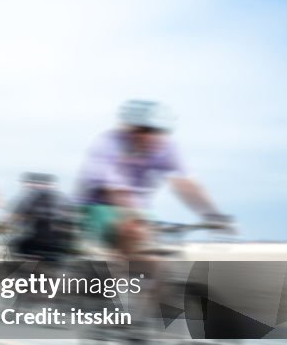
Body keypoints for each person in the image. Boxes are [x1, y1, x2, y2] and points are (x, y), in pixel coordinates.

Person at [76, 100, 229, 257]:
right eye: (148, 131)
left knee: (159, 256)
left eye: (159, 132)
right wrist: (135, 217)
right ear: (132, 130)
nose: (155, 137)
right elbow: (115, 191)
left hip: (140, 211)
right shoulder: (108, 143)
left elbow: (185, 183)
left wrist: (213, 215)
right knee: (133, 237)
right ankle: (117, 277)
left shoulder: (167, 147)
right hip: (96, 208)